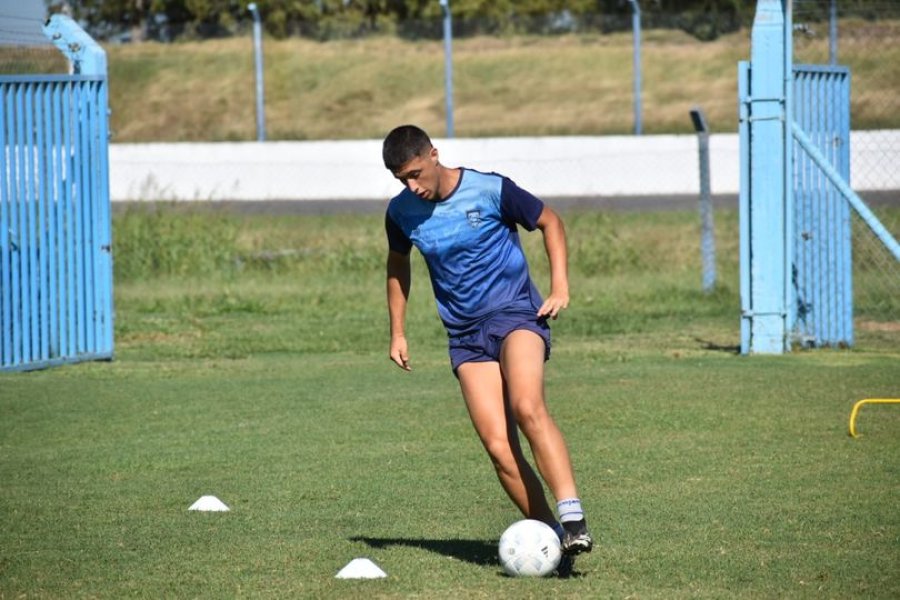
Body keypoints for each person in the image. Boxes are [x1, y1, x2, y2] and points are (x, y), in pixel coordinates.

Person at [381, 125, 593, 576]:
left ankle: (573, 517)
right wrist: (398, 331)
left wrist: (560, 286)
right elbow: (398, 264)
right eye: (402, 180)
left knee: (526, 405)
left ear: (434, 155)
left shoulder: (490, 189)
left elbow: (549, 222)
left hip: (517, 314)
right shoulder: (401, 213)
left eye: (416, 174)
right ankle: (550, 540)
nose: (412, 186)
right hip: (464, 335)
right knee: (498, 446)